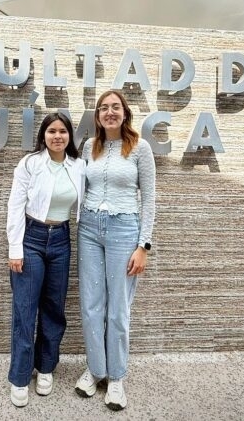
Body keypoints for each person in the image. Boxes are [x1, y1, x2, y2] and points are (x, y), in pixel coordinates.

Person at [74, 90, 156, 411]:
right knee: (91, 304)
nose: (110, 112)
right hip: (89, 229)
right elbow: (80, 188)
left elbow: (148, 199)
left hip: (125, 230)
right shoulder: (87, 148)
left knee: (118, 307)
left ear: (125, 113)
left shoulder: (140, 148)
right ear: (97, 116)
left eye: (115, 107)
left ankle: (117, 377)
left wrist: (143, 245)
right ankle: (96, 370)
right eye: (104, 108)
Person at [6, 112, 86, 407]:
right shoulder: (29, 164)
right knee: (25, 309)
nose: (57, 136)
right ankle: (19, 375)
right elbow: (15, 206)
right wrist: (15, 248)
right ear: (43, 135)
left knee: (54, 307)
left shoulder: (78, 167)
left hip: (62, 240)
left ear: (69, 136)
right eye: (52, 131)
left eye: (62, 131)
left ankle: (46, 368)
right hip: (32, 238)